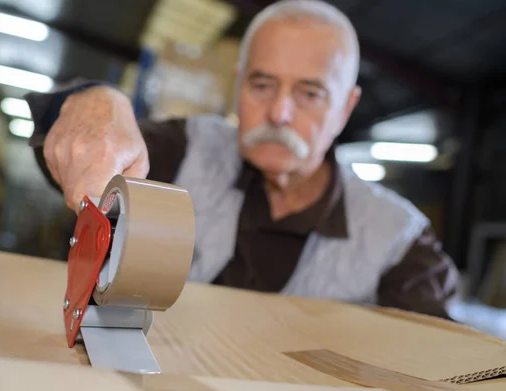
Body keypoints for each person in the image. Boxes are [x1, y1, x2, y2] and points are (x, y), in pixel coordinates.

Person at [25, 0, 459, 318]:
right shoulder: (183, 150)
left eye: (309, 93)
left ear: (346, 107)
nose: (279, 113)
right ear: (238, 86)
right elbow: (79, 152)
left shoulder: (399, 241)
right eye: (262, 84)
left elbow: (430, 359)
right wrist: (95, 102)